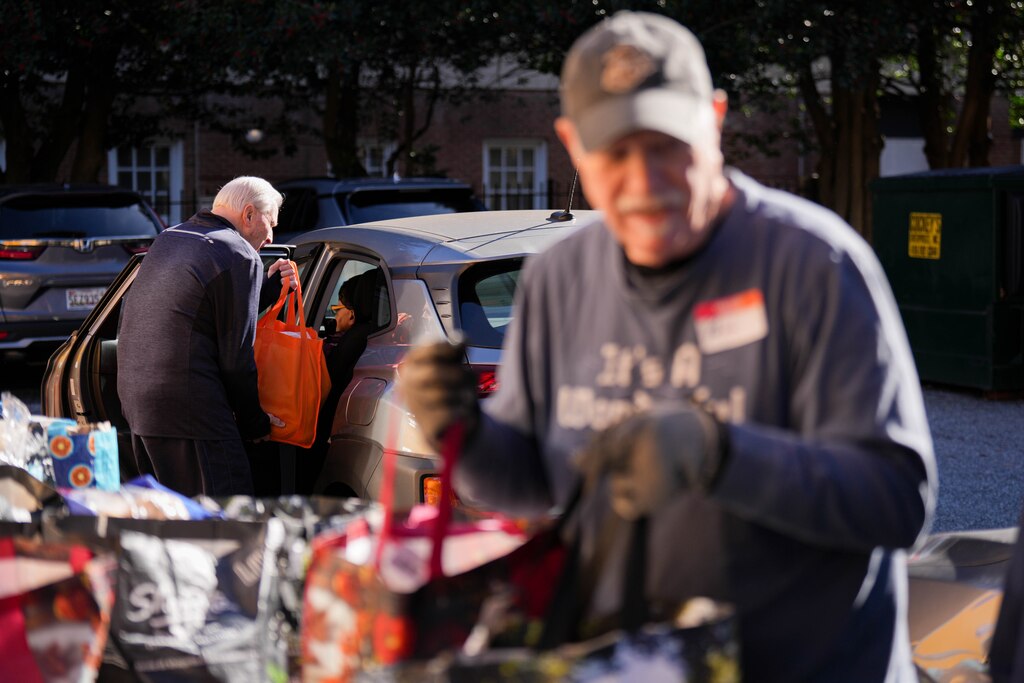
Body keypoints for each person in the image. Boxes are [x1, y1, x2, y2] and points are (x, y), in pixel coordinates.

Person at [399, 11, 937, 682]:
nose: (645, 181)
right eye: (615, 153)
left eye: (667, 145)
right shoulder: (560, 280)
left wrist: (721, 454)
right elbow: (532, 483)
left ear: (714, 120)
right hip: (629, 664)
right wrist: (463, 434)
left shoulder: (812, 264)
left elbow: (898, 500)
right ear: (571, 145)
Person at [117, 175, 295, 497]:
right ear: (250, 215)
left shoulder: (172, 238)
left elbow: (198, 313)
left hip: (139, 405)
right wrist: (255, 424)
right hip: (193, 413)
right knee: (224, 517)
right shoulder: (239, 254)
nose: (271, 237)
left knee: (169, 518)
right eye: (272, 223)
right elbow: (237, 360)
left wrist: (263, 291)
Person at [298, 271, 378, 492]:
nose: (334, 317)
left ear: (352, 314)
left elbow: (323, 389)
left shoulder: (350, 343)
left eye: (336, 309)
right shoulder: (375, 336)